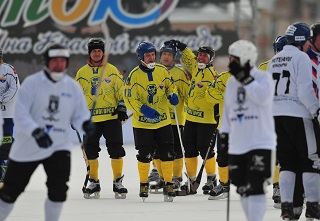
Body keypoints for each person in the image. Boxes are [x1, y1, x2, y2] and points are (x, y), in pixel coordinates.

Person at [0, 43, 94, 221]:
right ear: (46, 61)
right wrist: (35, 132)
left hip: (58, 146)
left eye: (62, 61)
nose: (58, 65)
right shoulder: (32, 84)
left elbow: (79, 115)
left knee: (58, 191)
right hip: (28, 146)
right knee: (10, 191)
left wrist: (85, 124)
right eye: (54, 61)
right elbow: (20, 113)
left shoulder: (73, 87)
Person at [267, 22, 320, 220]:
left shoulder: (274, 60)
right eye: (308, 40)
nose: (309, 44)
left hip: (276, 116)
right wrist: (316, 110)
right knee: (311, 160)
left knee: (287, 163)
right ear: (302, 40)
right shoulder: (301, 58)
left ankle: (287, 208)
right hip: (298, 115)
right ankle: (313, 206)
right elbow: (305, 90)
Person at [220, 39, 276, 221]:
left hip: (260, 142)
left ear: (245, 58)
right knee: (242, 187)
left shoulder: (263, 77)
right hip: (238, 143)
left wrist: (244, 78)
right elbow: (228, 112)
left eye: (233, 59)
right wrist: (224, 135)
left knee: (257, 186)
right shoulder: (231, 83)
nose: (230, 63)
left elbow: (261, 97)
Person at [123, 41, 178, 202]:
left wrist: (172, 94)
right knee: (145, 155)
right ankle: (143, 183)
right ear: (141, 57)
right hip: (142, 124)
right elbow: (129, 99)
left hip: (163, 121)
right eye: (148, 55)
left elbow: (170, 86)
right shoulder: (133, 76)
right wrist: (144, 110)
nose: (152, 57)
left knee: (167, 153)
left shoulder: (162, 70)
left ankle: (168, 183)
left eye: (153, 54)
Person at [75, 37, 128, 199]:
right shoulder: (82, 72)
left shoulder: (112, 70)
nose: (97, 53)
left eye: (99, 51)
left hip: (111, 118)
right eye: (94, 51)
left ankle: (117, 182)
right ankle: (94, 181)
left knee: (116, 149)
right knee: (90, 150)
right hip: (90, 120)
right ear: (90, 53)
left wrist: (121, 107)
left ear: (103, 52)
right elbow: (76, 96)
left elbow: (120, 91)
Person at [164, 40, 219, 195]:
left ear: (210, 59)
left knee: (205, 149)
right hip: (191, 118)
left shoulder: (213, 76)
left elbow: (219, 94)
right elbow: (188, 58)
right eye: (200, 55)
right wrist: (181, 46)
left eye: (204, 56)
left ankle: (211, 178)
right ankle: (192, 179)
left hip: (207, 120)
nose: (201, 58)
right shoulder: (196, 69)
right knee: (189, 149)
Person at [149, 43, 190, 192]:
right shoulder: (153, 71)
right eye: (164, 54)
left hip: (175, 119)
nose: (166, 57)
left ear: (174, 57)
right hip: (158, 119)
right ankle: (162, 177)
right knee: (157, 151)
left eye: (169, 55)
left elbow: (188, 95)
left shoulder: (180, 73)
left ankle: (176, 178)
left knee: (176, 151)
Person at [258, 35, 287, 209]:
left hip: (273, 115)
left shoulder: (264, 67)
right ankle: (280, 187)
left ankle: (279, 187)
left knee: (279, 154)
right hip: (288, 114)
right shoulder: (300, 61)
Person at [206, 70, 232, 200]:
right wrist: (225, 95)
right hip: (225, 126)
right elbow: (209, 93)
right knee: (222, 158)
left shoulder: (254, 77)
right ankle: (224, 185)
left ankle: (252, 187)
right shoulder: (223, 77)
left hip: (246, 127)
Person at [0, 48, 20, 182]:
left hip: (7, 113)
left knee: (6, 142)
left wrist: (1, 98)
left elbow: (15, 88)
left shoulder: (9, 70)